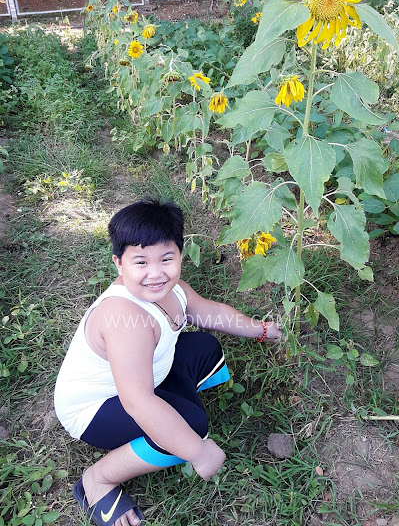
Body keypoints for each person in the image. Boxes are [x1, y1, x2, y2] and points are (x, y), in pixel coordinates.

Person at [54, 198, 282, 526]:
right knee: (189, 429)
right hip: (96, 408)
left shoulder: (173, 291)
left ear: (180, 253)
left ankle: (177, 407)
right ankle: (98, 481)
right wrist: (197, 451)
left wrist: (262, 330)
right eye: (140, 262)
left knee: (205, 347)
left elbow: (213, 313)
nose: (156, 273)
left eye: (166, 258)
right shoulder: (124, 318)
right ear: (119, 263)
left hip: (140, 377)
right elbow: (137, 402)